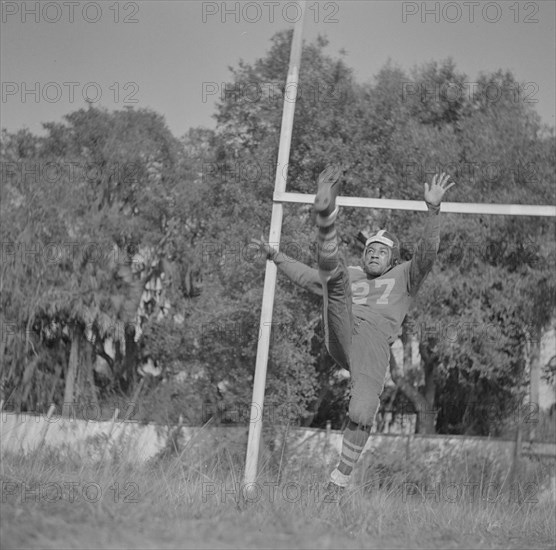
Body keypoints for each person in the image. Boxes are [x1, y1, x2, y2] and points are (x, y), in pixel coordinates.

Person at [252, 168, 455, 496]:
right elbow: (307, 276)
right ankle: (326, 218)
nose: (374, 254)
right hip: (342, 328)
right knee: (335, 279)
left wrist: (433, 210)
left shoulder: (404, 276)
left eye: (381, 252)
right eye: (370, 249)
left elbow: (427, 255)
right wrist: (276, 256)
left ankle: (339, 480)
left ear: (391, 259)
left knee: (360, 413)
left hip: (374, 345)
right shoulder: (353, 273)